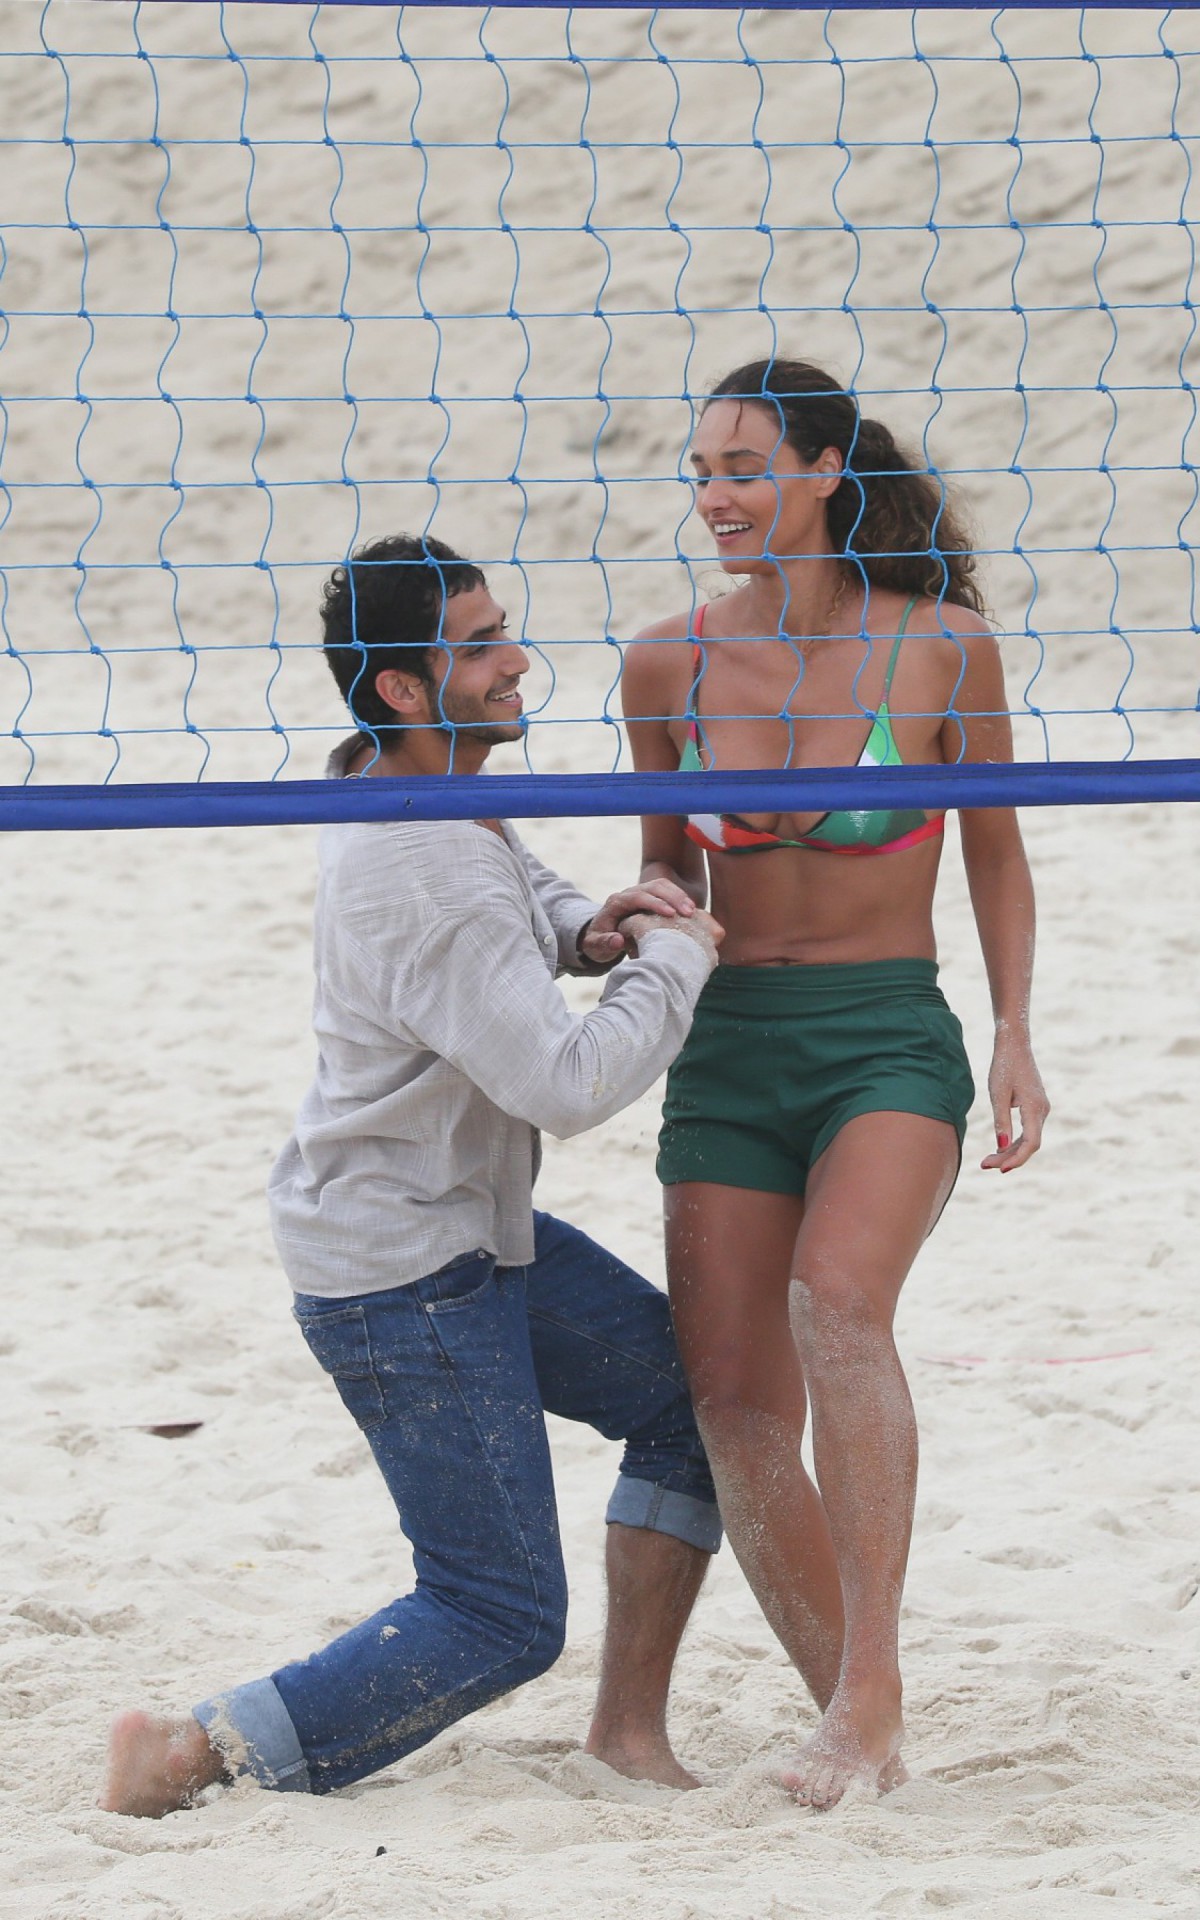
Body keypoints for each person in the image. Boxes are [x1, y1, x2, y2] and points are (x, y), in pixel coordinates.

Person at [101, 532, 724, 1819]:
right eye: (480, 645)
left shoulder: (414, 787)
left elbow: (511, 887)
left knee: (694, 1403)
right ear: (401, 689)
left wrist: (587, 926)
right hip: (402, 1275)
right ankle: (189, 1754)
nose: (515, 662)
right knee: (497, 1614)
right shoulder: (419, 860)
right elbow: (564, 1084)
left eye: (506, 629)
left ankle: (626, 1730)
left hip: (461, 1233)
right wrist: (677, 958)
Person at [621, 358, 1049, 1810]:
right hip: (731, 1043)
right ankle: (853, 1715)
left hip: (886, 1034)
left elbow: (998, 848)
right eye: (702, 473)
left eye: (743, 467)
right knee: (737, 1404)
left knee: (841, 1306)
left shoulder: (942, 646)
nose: (717, 497)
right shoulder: (663, 662)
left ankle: (867, 1700)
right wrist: (636, 910)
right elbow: (668, 865)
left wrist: (1014, 1030)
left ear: (821, 472)